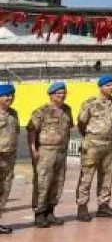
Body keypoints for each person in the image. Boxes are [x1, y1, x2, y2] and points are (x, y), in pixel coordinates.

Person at [76, 74, 112, 221]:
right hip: (93, 144)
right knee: (86, 177)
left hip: (110, 144)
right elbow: (81, 123)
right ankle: (82, 207)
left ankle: (103, 205)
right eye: (108, 85)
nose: (111, 87)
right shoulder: (90, 103)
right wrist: (89, 137)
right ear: (100, 87)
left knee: (107, 176)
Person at [27, 82, 74, 228]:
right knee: (42, 183)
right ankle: (39, 214)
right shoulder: (41, 112)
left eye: (63, 92)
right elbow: (31, 131)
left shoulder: (67, 110)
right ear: (51, 95)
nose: (61, 95)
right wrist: (33, 150)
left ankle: (50, 212)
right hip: (46, 152)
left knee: (58, 182)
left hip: (61, 151)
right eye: (58, 93)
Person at [0, 82, 18, 235]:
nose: (9, 98)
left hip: (9, 159)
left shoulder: (14, 114)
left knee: (4, 190)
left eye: (11, 95)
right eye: (6, 95)